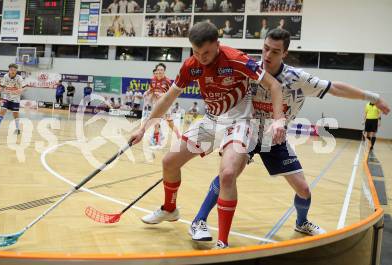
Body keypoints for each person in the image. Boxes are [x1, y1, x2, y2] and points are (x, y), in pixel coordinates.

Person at [189, 28, 391, 245]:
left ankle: (301, 222)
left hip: (274, 139)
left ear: (285, 53)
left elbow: (335, 89)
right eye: (265, 49)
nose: (267, 56)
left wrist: (374, 97)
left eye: (275, 51)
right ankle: (199, 220)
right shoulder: (249, 68)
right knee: (227, 175)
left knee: (304, 190)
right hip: (245, 132)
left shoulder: (297, 79)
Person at [129, 22, 286, 249]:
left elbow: (274, 85)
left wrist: (279, 118)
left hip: (239, 122)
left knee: (228, 174)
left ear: (218, 45)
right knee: (169, 162)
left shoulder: (236, 59)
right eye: (196, 52)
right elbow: (167, 98)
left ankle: (222, 242)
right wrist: (143, 128)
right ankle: (170, 209)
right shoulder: (191, 65)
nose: (201, 57)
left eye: (206, 53)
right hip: (211, 121)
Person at [0, 63, 24, 136]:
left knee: (15, 114)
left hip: (15, 99)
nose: (13, 71)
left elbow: (24, 88)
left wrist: (19, 91)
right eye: (11, 70)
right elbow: (2, 87)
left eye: (14, 70)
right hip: (6, 97)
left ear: (16, 71)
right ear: (9, 70)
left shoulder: (19, 78)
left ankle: (17, 128)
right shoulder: (5, 76)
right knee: (2, 111)